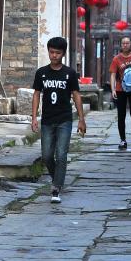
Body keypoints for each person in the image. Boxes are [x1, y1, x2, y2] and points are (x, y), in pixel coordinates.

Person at [30, 36, 87, 203]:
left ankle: (56, 188)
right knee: (47, 156)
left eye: (58, 53)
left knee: (61, 154)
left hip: (64, 119)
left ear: (63, 54)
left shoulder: (69, 73)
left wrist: (81, 119)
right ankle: (58, 177)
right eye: (51, 52)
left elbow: (76, 96)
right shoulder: (41, 73)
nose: (54, 55)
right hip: (47, 119)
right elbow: (36, 94)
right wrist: (34, 117)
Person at [109, 36, 131, 150]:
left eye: (127, 43)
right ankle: (122, 140)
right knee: (121, 115)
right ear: (121, 45)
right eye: (123, 43)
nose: (125, 45)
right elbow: (113, 74)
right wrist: (113, 89)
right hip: (120, 89)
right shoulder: (116, 59)